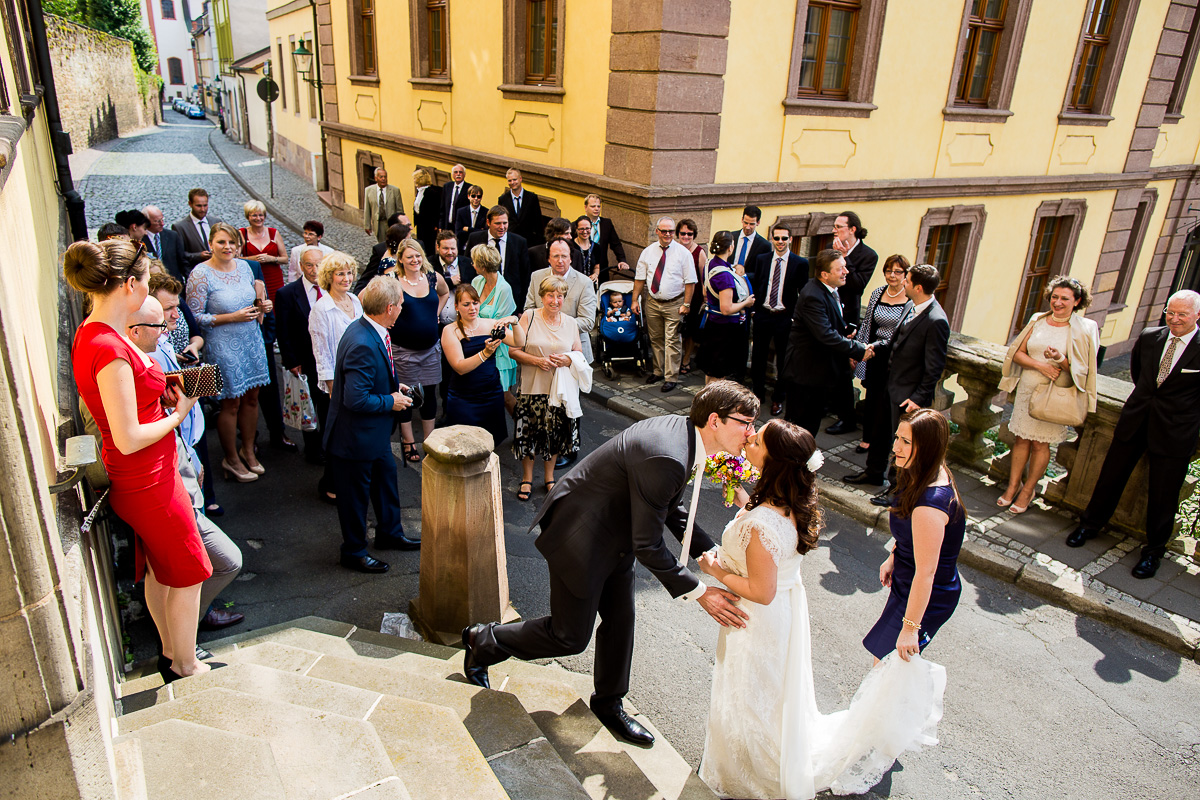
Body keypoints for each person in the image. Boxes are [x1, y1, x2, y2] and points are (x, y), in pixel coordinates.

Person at [461, 381, 757, 745]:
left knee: (621, 620)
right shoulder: (669, 454)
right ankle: (485, 639)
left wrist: (709, 553)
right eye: (746, 422)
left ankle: (608, 703)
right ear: (715, 420)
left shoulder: (684, 436)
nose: (751, 432)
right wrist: (700, 592)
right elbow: (648, 545)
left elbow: (669, 507)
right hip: (582, 535)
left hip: (617, 535)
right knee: (568, 637)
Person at [66, 239, 213, 682]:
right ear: (130, 285)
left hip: (146, 475)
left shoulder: (94, 333)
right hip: (147, 478)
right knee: (190, 569)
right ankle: (185, 665)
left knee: (161, 568)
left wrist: (158, 389)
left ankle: (171, 651)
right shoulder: (109, 347)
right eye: (146, 280)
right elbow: (128, 437)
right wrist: (179, 413)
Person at [1066, 290, 1200, 579]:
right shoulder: (1150, 336)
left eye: (1182, 315)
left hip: (1175, 432)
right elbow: (1140, 374)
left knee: (1164, 496)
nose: (1174, 319)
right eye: (1170, 312)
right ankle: (1089, 525)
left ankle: (1153, 553)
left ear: (1197, 316)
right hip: (1136, 420)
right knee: (1110, 477)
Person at [132, 296, 243, 634]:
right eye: (163, 316)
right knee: (206, 566)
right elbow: (130, 438)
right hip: (163, 488)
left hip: (181, 470)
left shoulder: (148, 352)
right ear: (134, 329)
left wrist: (191, 461)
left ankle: (177, 638)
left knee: (184, 570)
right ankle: (179, 642)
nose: (171, 323)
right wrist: (179, 410)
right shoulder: (129, 362)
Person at [324, 277, 421, 573]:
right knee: (354, 499)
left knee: (385, 482)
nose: (403, 308)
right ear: (389, 308)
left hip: (374, 435)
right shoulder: (362, 342)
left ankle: (390, 533)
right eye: (402, 304)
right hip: (354, 440)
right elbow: (356, 399)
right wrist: (391, 401)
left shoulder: (371, 328)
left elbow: (372, 378)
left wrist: (395, 387)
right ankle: (353, 551)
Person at [866, 408, 965, 661]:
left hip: (926, 594)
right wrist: (894, 556)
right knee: (885, 665)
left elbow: (927, 572)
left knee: (887, 665)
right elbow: (911, 536)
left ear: (928, 447)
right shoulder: (922, 470)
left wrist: (910, 629)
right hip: (907, 580)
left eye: (906, 442)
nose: (895, 447)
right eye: (897, 437)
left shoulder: (929, 506)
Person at [998, 276, 1099, 513]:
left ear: (1077, 301)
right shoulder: (1037, 320)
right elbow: (1018, 354)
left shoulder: (1086, 328)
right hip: (1028, 388)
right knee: (1021, 439)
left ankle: (1027, 490)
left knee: (1041, 445)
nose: (1058, 302)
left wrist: (1060, 360)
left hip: (1056, 395)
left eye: (1065, 298)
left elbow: (1086, 371)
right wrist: (1040, 365)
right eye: (1055, 297)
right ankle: (1013, 486)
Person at [186, 222, 271, 483]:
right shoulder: (201, 274)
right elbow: (195, 318)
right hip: (222, 343)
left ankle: (248, 450)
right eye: (222, 242)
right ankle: (231, 458)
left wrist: (263, 306)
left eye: (232, 242)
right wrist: (230, 317)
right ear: (211, 243)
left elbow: (253, 303)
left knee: (252, 398)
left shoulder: (245, 267)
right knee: (231, 402)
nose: (228, 247)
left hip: (250, 339)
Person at [866, 264, 951, 505]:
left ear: (918, 287)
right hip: (890, 385)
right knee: (882, 434)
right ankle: (873, 474)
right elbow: (894, 342)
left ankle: (897, 492)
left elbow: (934, 366)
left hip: (908, 396)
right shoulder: (911, 306)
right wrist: (873, 348)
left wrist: (917, 398)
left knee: (904, 446)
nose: (902, 283)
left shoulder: (936, 320)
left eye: (907, 280)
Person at [149, 272, 220, 518]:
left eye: (176, 307)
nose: (176, 315)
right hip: (181, 445)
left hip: (192, 436)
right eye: (169, 309)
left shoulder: (163, 339)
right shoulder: (148, 352)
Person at [783, 249, 873, 438]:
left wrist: (845, 329)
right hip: (806, 373)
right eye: (841, 269)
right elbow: (824, 334)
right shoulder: (812, 296)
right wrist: (858, 350)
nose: (846, 272)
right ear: (825, 274)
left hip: (818, 372)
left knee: (811, 424)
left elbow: (827, 323)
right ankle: (793, 464)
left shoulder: (828, 290)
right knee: (800, 428)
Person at [509, 275, 583, 501]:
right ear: (542, 296)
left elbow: (578, 354)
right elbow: (513, 350)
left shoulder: (571, 323)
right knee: (528, 437)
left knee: (554, 437)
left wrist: (567, 360)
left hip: (558, 393)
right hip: (531, 389)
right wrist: (537, 361)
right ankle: (527, 478)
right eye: (550, 295)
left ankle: (549, 477)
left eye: (559, 296)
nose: (555, 300)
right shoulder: (529, 317)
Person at [842, 255, 912, 484]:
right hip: (872, 355)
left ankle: (884, 459)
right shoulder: (878, 293)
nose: (892, 275)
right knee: (871, 401)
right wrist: (858, 352)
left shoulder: (910, 300)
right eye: (889, 271)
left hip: (892, 360)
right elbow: (868, 324)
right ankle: (869, 445)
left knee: (886, 410)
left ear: (906, 275)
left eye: (898, 272)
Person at [389, 239, 450, 463]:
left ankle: (429, 439)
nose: (415, 261)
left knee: (430, 396)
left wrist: (437, 312)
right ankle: (408, 441)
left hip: (431, 349)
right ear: (401, 260)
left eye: (418, 256)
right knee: (406, 396)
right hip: (403, 351)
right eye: (410, 257)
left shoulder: (433, 277)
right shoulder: (394, 281)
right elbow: (369, 299)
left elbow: (444, 294)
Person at [309, 252, 363, 502]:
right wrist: (332, 389)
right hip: (337, 383)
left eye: (349, 272)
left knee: (355, 434)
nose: (346, 278)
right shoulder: (322, 308)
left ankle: (352, 480)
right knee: (337, 435)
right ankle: (330, 484)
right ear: (328, 277)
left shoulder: (355, 300)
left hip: (360, 377)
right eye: (340, 273)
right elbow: (322, 352)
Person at [441, 284, 522, 444]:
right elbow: (459, 367)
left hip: (490, 393)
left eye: (475, 303)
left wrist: (515, 322)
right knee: (464, 444)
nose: (472, 308)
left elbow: (519, 341)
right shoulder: (450, 331)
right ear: (456, 307)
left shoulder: (490, 324)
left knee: (490, 443)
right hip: (463, 396)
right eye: (466, 304)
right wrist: (485, 354)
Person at [826, 210, 879, 436]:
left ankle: (846, 418)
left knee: (844, 369)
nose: (834, 230)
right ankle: (826, 404)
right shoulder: (831, 249)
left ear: (852, 229)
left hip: (847, 317)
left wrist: (845, 260)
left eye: (839, 226)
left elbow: (857, 286)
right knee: (827, 364)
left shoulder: (868, 255)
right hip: (829, 311)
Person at [276, 246, 328, 468]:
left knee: (328, 404)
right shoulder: (287, 294)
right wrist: (291, 361)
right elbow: (283, 331)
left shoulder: (331, 289)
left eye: (319, 264)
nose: (315, 270)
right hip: (305, 360)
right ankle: (313, 449)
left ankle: (328, 445)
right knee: (311, 406)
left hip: (328, 359)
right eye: (309, 265)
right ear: (301, 266)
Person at [632, 217, 696, 393]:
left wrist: (687, 304)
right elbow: (639, 279)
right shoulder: (648, 252)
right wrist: (634, 300)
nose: (668, 234)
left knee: (672, 341)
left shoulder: (683, 254)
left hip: (674, 303)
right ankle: (658, 371)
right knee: (656, 339)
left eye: (671, 231)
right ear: (657, 231)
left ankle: (671, 377)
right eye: (664, 231)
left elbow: (690, 282)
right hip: (652, 302)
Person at [751, 225, 807, 416]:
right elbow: (758, 285)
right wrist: (754, 311)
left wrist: (794, 318)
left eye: (784, 238)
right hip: (763, 315)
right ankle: (757, 395)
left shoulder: (800, 263)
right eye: (777, 238)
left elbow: (803, 293)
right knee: (758, 356)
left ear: (791, 239)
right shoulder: (762, 259)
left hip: (784, 317)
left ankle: (778, 399)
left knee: (784, 360)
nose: (780, 242)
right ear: (772, 239)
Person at [524, 238, 598, 363]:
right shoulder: (536, 276)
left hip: (573, 352)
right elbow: (529, 309)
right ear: (548, 258)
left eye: (564, 256)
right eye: (555, 256)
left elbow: (588, 321)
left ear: (571, 258)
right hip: (541, 351)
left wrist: (557, 326)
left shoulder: (584, 283)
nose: (560, 261)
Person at [697, 231, 754, 384]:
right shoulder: (725, 276)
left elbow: (705, 291)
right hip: (724, 329)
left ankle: (705, 401)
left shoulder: (710, 264)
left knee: (710, 370)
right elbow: (726, 308)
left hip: (711, 324)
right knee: (719, 374)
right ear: (730, 248)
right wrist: (746, 303)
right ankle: (712, 405)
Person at [470, 244, 519, 400]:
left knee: (504, 396)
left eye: (474, 261)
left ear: (482, 266)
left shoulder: (504, 289)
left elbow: (499, 324)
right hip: (477, 344)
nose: (472, 264)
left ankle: (521, 424)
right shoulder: (476, 281)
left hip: (499, 347)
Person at [465, 206, 532, 305]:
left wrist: (521, 306)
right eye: (497, 223)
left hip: (510, 301)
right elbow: (467, 268)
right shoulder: (475, 239)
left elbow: (525, 276)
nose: (502, 227)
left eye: (505, 223)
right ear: (488, 222)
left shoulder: (519, 242)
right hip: (480, 299)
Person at [678, 218, 709, 377]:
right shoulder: (674, 249)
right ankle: (675, 359)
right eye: (683, 233)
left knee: (689, 331)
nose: (686, 237)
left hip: (694, 298)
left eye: (689, 234)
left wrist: (705, 297)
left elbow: (704, 277)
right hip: (676, 296)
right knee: (677, 331)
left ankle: (686, 359)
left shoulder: (699, 252)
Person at [582, 194, 630, 283]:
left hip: (602, 269)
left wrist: (622, 260)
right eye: (593, 206)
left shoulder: (606, 224)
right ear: (586, 207)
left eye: (598, 206)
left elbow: (616, 244)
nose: (596, 209)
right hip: (584, 269)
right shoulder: (578, 224)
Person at [173, 188, 223, 271]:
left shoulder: (216, 222)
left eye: (205, 205)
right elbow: (180, 255)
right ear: (190, 204)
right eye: (198, 206)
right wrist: (198, 256)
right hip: (197, 271)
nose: (202, 209)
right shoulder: (180, 227)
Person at [498, 167, 544, 246]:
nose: (512, 182)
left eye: (515, 179)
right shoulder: (503, 199)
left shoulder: (532, 198)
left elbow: (538, 222)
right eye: (509, 180)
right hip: (510, 241)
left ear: (520, 179)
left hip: (529, 242)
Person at [143, 205, 190, 282]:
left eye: (162, 220)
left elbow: (182, 262)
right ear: (147, 222)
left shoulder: (172, 236)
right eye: (157, 221)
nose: (162, 224)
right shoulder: (141, 240)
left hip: (174, 284)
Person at [363, 167, 405, 242]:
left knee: (392, 243)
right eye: (381, 177)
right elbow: (367, 209)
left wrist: (400, 225)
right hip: (379, 223)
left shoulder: (395, 190)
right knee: (381, 244)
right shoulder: (368, 190)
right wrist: (367, 225)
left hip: (391, 223)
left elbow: (400, 210)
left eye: (385, 177)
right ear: (376, 178)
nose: (383, 179)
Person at [411, 166, 443, 259]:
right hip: (421, 224)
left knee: (428, 246)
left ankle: (428, 260)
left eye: (415, 178)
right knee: (421, 244)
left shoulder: (431, 192)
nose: (414, 180)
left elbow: (435, 210)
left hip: (428, 225)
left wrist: (435, 225)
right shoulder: (420, 191)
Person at [731, 205, 770, 280]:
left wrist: (743, 275)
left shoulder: (764, 245)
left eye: (751, 224)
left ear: (758, 223)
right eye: (745, 223)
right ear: (742, 219)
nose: (747, 227)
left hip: (748, 287)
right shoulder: (731, 237)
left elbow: (762, 273)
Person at [441, 163, 475, 231]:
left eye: (461, 172)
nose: (458, 174)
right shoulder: (447, 186)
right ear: (453, 175)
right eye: (456, 172)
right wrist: (440, 225)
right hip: (447, 225)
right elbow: (442, 207)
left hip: (461, 227)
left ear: (464, 174)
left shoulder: (469, 188)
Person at [455, 185, 487, 250]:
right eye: (473, 196)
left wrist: (469, 229)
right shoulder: (461, 212)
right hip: (463, 248)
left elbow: (485, 234)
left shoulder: (486, 212)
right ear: (468, 196)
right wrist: (478, 230)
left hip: (479, 249)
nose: (476, 199)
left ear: (481, 197)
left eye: (478, 196)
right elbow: (458, 234)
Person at [573, 216, 598, 282]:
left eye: (587, 228)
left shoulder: (596, 247)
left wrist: (595, 274)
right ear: (576, 229)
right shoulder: (570, 246)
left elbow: (596, 266)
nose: (585, 232)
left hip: (589, 283)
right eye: (581, 229)